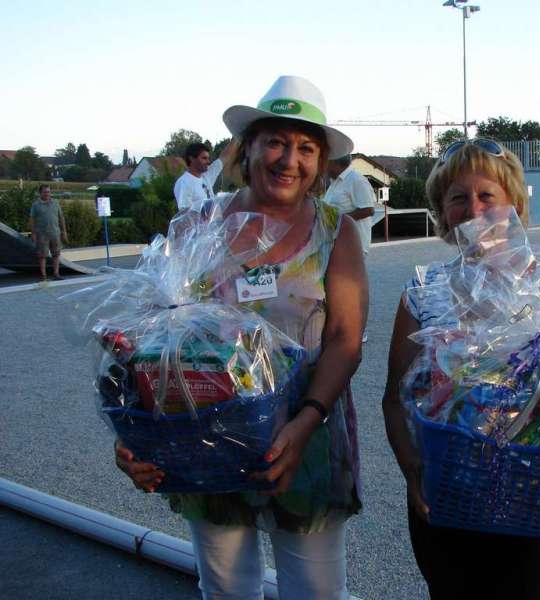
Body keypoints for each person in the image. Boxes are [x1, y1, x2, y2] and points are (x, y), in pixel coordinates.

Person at [116, 75, 367, 600]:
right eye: (274, 140)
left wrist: (304, 422)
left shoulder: (334, 231)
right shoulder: (195, 227)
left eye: (305, 147)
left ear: (320, 162)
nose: (288, 159)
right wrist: (136, 434)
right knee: (227, 588)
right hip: (205, 436)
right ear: (247, 146)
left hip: (307, 434)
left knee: (317, 592)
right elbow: (147, 341)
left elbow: (345, 337)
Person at [382, 139, 540, 600]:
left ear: (515, 205)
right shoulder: (425, 289)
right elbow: (394, 398)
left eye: (488, 196)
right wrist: (412, 473)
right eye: (458, 197)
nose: (473, 208)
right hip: (449, 493)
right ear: (442, 212)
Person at [323, 154, 376, 343]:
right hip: (333, 244)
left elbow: (368, 209)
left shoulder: (356, 180)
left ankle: (359, 330)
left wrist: (339, 221)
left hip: (353, 244)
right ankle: (340, 327)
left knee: (352, 287)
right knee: (336, 288)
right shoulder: (334, 183)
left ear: (333, 161)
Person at [173, 142, 234, 212]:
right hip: (201, 223)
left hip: (214, 222)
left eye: (208, 158)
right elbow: (185, 214)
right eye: (204, 158)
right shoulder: (184, 183)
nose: (208, 161)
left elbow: (224, 157)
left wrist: (236, 136)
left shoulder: (206, 176)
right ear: (191, 159)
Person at [29, 184, 68, 281]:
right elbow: (32, 219)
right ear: (40, 193)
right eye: (45, 192)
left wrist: (64, 232)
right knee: (42, 256)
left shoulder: (55, 203)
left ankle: (56, 274)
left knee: (56, 254)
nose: (47, 194)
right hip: (41, 234)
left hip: (55, 233)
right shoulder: (35, 205)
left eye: (48, 192)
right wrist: (33, 233)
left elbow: (61, 217)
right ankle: (43, 275)